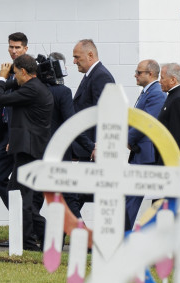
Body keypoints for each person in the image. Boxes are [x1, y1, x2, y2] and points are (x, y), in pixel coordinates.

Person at [0, 54, 53, 252]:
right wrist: (10, 75)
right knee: (17, 193)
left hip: (29, 150)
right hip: (27, 149)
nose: (14, 77)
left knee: (20, 195)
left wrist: (2, 78)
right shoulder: (32, 86)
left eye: (17, 73)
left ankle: (42, 232)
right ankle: (30, 237)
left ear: (25, 72)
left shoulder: (32, 89)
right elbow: (12, 88)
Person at [66, 39, 116, 217]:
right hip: (87, 147)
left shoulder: (101, 76)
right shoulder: (91, 76)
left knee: (77, 195)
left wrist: (99, 145)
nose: (74, 61)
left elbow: (107, 113)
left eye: (76, 57)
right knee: (77, 195)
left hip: (93, 148)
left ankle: (73, 235)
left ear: (90, 55)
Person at [124, 59, 166, 231]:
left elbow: (146, 122)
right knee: (130, 196)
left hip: (145, 154)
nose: (135, 74)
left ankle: (122, 234)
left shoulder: (156, 92)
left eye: (139, 72)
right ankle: (123, 232)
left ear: (150, 74)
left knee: (132, 196)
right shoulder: (146, 92)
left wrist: (127, 138)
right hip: (139, 152)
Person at [0, 32, 29, 209]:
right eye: (11, 47)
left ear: (25, 48)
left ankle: (27, 225)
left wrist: (15, 137)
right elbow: (3, 105)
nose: (13, 51)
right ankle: (21, 221)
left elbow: (22, 109)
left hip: (19, 134)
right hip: (6, 133)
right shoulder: (8, 72)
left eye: (17, 47)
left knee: (20, 184)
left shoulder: (28, 72)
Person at [156, 63, 180, 162]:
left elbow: (178, 135)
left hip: (173, 158)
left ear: (173, 80)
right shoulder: (177, 94)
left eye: (162, 78)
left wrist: (170, 160)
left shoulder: (178, 99)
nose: (159, 82)